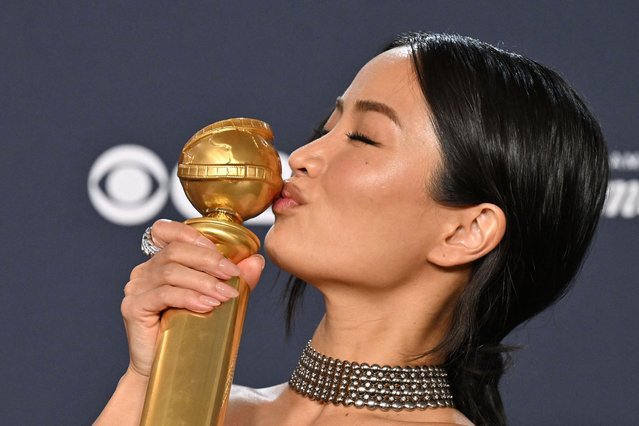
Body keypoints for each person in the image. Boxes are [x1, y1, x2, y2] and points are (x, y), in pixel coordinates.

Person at [95, 32, 609, 425]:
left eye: (363, 138)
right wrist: (149, 379)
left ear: (465, 232)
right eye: (326, 127)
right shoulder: (213, 414)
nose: (301, 156)